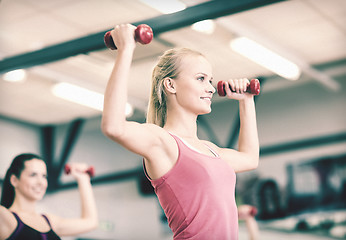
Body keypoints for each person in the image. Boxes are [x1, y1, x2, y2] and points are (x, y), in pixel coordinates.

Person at [101, 23, 259, 239]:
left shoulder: (210, 150)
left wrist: (246, 100)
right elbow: (113, 127)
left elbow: (250, 158)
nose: (211, 88)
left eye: (210, 80)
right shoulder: (163, 142)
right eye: (201, 78)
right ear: (170, 85)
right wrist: (126, 49)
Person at [0, 153, 98, 240]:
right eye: (33, 175)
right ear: (14, 180)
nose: (41, 182)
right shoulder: (5, 218)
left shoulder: (49, 222)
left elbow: (90, 222)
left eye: (44, 176)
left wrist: (83, 178)